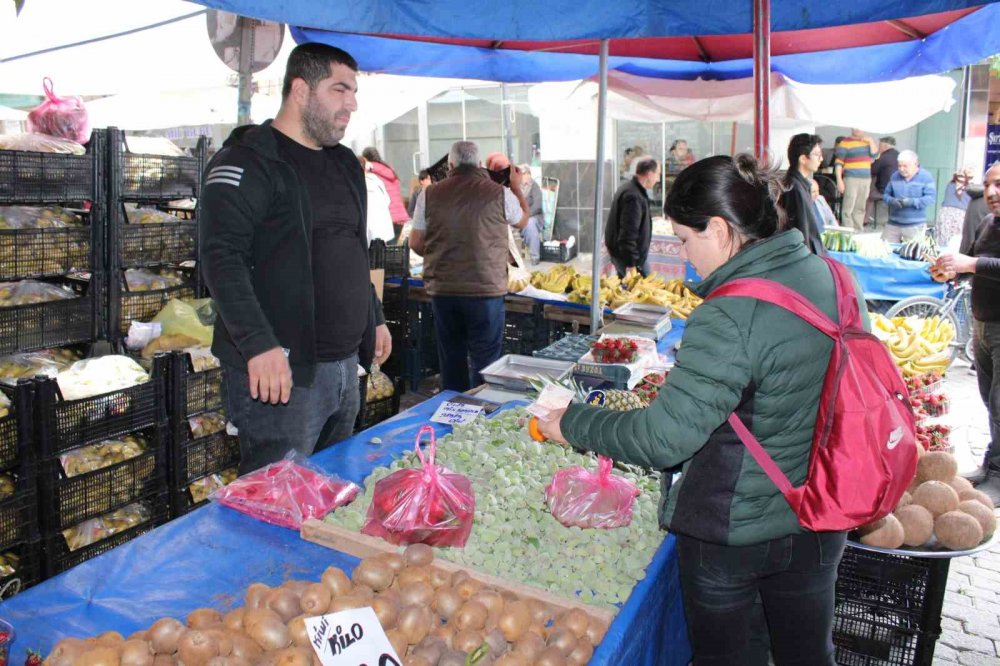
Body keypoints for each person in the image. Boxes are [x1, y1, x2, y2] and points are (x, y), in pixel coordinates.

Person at [536, 154, 856, 666]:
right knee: (808, 654)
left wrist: (570, 422)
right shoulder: (831, 276)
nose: (685, 258)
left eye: (686, 240)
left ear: (721, 229)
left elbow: (665, 438)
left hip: (735, 532)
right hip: (820, 513)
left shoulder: (729, 312)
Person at [199, 43, 391, 473]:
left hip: (345, 369)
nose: (352, 104)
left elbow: (351, 249)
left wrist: (372, 315)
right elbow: (220, 258)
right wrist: (258, 344)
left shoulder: (344, 164)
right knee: (277, 507)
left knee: (334, 491)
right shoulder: (248, 161)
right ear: (300, 90)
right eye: (340, 90)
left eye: (354, 92)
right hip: (283, 374)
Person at [408, 140, 529, 391]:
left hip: (444, 292)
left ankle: (452, 419)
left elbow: (416, 243)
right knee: (486, 364)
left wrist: (443, 252)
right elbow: (523, 221)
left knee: (451, 361)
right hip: (486, 293)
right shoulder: (499, 193)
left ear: (451, 164)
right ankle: (482, 417)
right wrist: (516, 186)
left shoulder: (427, 194)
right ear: (480, 164)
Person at [932, 162, 1000, 503]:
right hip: (983, 325)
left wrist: (969, 265)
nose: (990, 193)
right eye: (987, 185)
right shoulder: (989, 223)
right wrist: (950, 273)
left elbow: (973, 263)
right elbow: (970, 262)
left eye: (999, 185)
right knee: (990, 400)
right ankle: (993, 465)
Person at [605, 157, 660, 278]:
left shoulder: (631, 189)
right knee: (643, 290)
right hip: (628, 258)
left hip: (628, 255)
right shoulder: (633, 196)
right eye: (657, 174)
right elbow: (628, 234)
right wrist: (631, 264)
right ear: (650, 174)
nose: (658, 179)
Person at [780, 133, 825, 254]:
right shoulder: (795, 188)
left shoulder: (800, 185)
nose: (821, 159)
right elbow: (801, 229)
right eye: (817, 155)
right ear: (803, 159)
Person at [881, 150, 936, 243]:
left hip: (915, 225)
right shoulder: (895, 176)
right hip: (893, 223)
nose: (901, 169)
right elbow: (886, 195)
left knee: (912, 254)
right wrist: (892, 201)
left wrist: (911, 202)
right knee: (884, 250)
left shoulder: (926, 177)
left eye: (905, 166)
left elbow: (931, 198)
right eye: (899, 166)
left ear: (916, 164)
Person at [834, 128, 880, 230]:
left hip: (866, 178)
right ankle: (848, 231)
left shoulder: (867, 142)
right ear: (851, 128)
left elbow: (875, 156)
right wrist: (839, 180)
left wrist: (872, 142)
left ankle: (858, 230)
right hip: (851, 178)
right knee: (848, 206)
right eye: (855, 127)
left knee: (860, 206)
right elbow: (838, 162)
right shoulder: (845, 142)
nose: (858, 129)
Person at [362, 147, 410, 242]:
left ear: (365, 159)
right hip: (399, 218)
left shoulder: (372, 176)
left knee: (382, 254)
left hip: (387, 220)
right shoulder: (389, 170)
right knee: (391, 253)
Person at [359, 154, 395, 244]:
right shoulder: (376, 180)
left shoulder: (360, 183)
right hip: (384, 230)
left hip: (368, 232)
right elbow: (387, 200)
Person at [936, 168, 974, 247]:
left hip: (945, 213)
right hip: (960, 215)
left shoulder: (950, 185)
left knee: (943, 238)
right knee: (957, 241)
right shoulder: (970, 188)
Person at [866, 136, 898, 228]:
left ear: (884, 146)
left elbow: (872, 171)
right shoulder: (899, 155)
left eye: (879, 145)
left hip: (884, 191)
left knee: (867, 195)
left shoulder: (883, 157)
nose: (878, 148)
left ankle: (865, 220)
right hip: (899, 191)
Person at [518, 163, 545, 264]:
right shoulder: (516, 187)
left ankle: (535, 256)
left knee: (530, 224)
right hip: (517, 217)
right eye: (522, 174)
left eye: (526, 173)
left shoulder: (534, 187)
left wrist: (525, 216)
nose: (525, 176)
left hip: (533, 216)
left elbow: (537, 206)